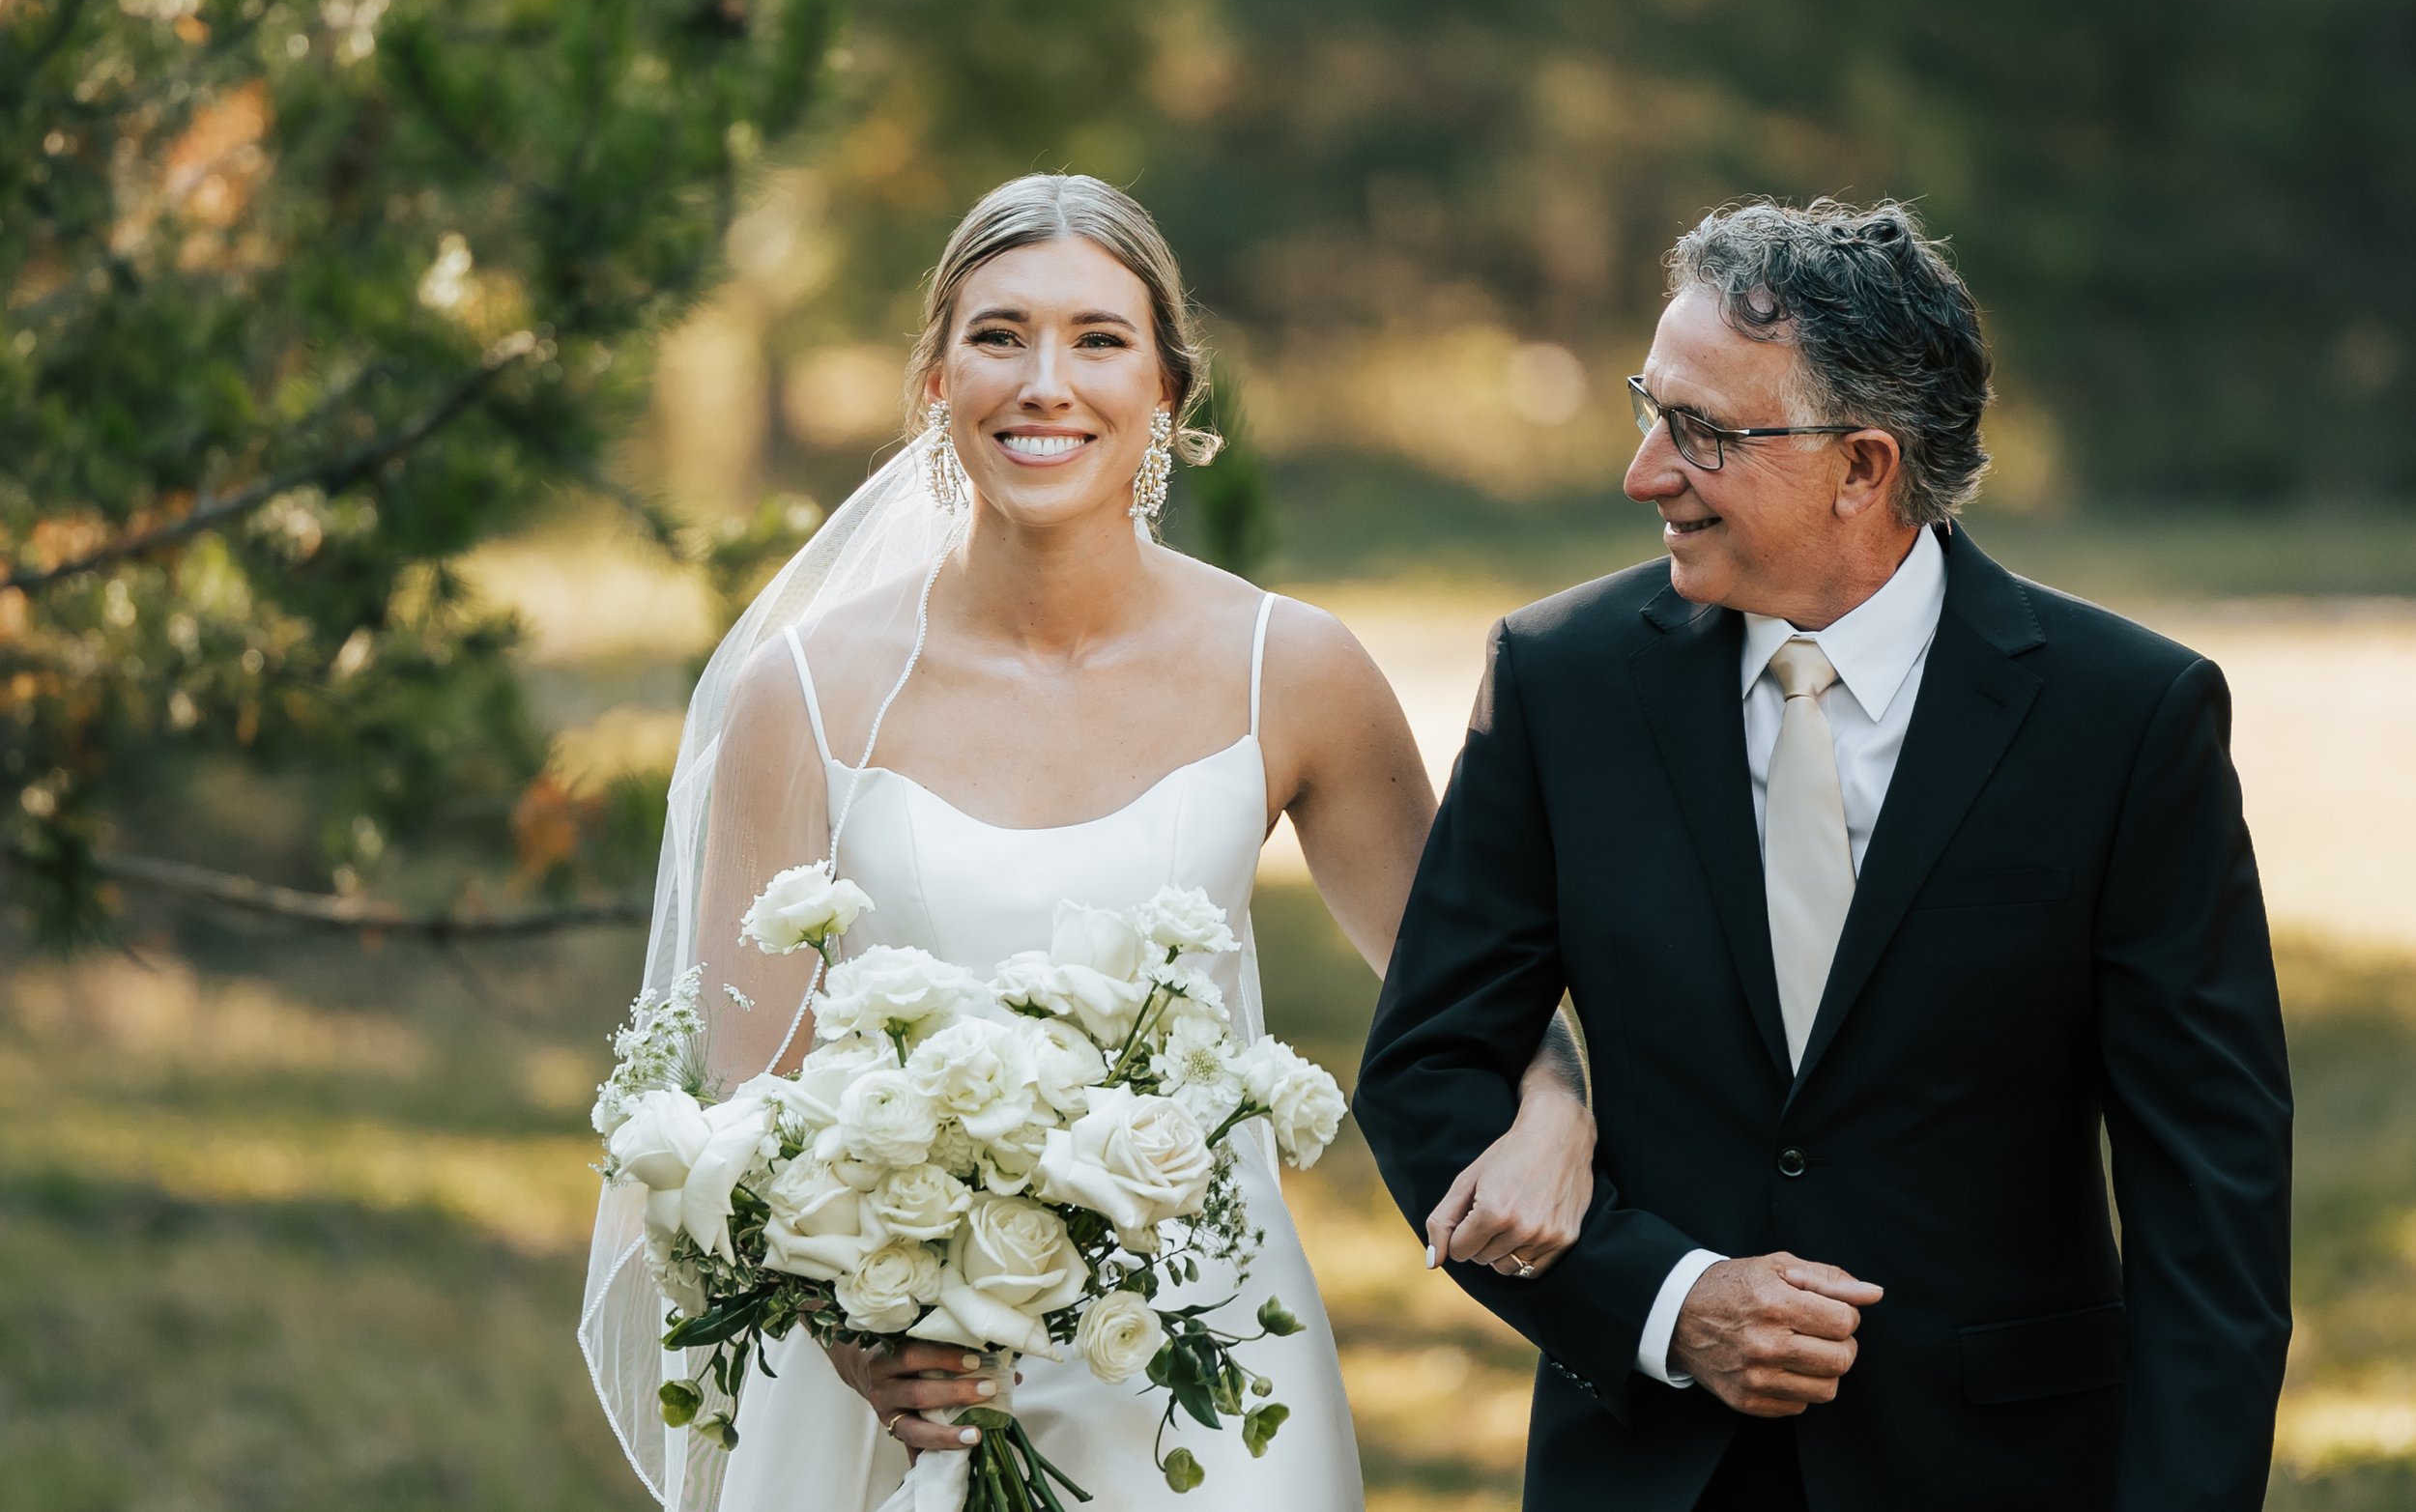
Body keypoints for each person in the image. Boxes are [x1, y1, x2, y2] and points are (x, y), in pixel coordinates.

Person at [580, 172, 1596, 1512]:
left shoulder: (1289, 672)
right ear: (936, 382)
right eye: (998, 336)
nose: (1044, 383)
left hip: (1210, 1377)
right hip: (918, 1386)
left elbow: (1469, 981)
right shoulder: (806, 694)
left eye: (1099, 340)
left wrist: (1559, 1107)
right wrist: (853, 1332)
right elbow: (735, 1108)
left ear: (1171, 390)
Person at [1355, 198, 2292, 1511]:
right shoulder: (1558, 685)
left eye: (1703, 433)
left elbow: (2214, 1200)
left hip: (2003, 1476)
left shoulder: (2127, 720)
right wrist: (1665, 1301)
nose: (1645, 472)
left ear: (1864, 467)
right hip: (1649, 1471)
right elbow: (1424, 1071)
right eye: (1650, 408)